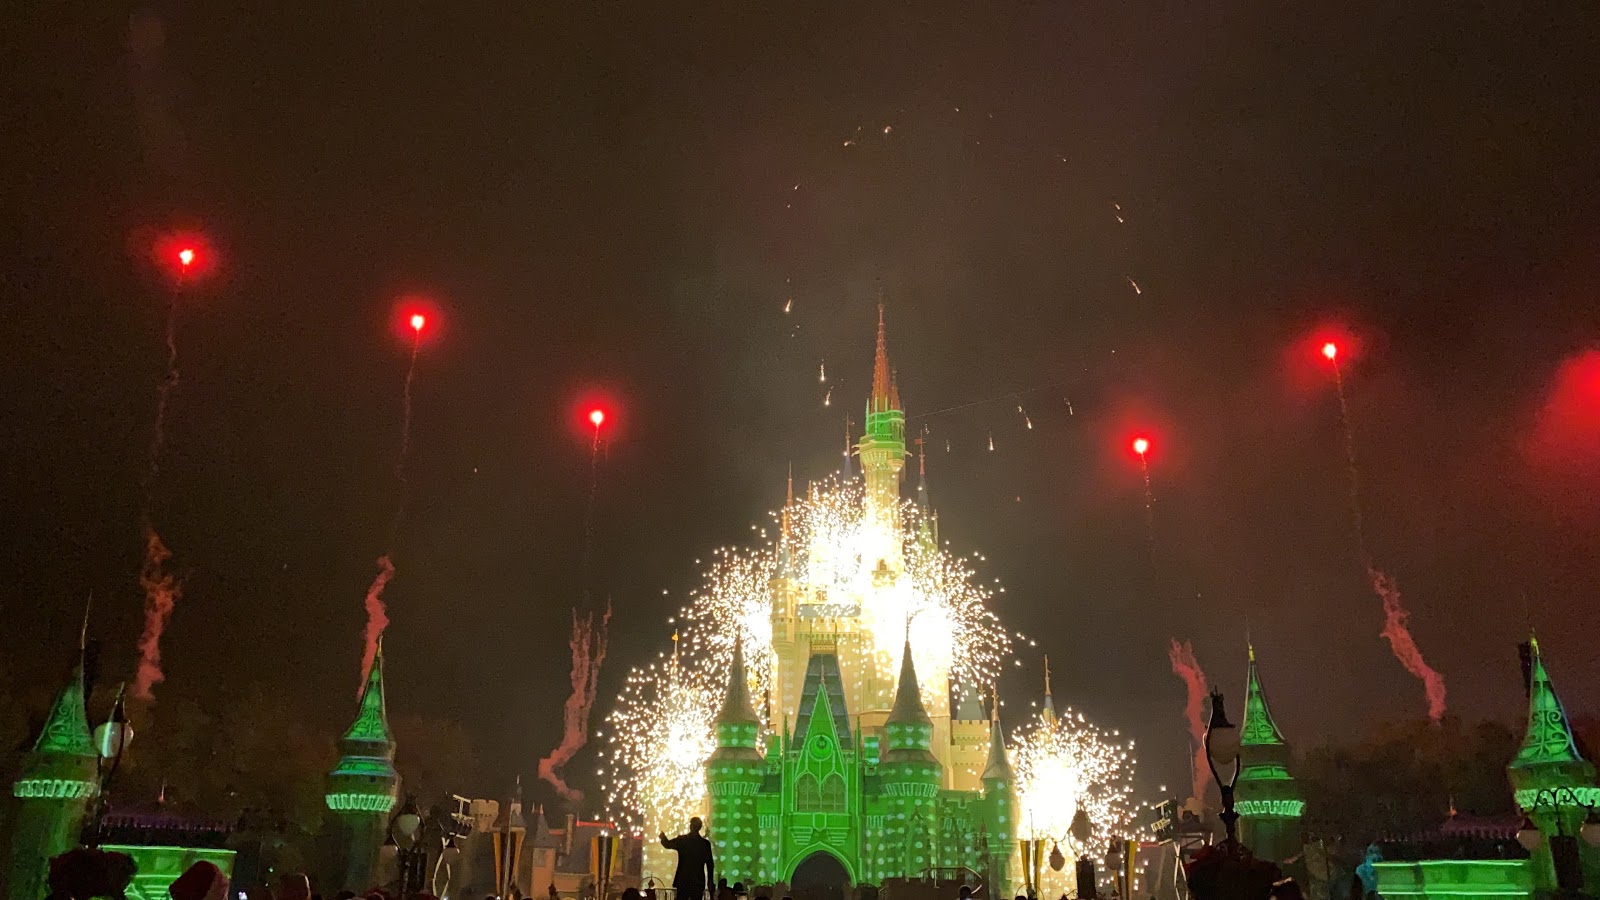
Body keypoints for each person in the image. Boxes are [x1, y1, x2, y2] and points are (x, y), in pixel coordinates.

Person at [659, 817, 715, 900]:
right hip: (698, 881)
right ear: (699, 827)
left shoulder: (683, 840)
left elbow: (667, 844)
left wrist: (663, 837)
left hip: (683, 879)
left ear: (691, 826)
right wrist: (710, 880)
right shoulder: (704, 844)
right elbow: (710, 864)